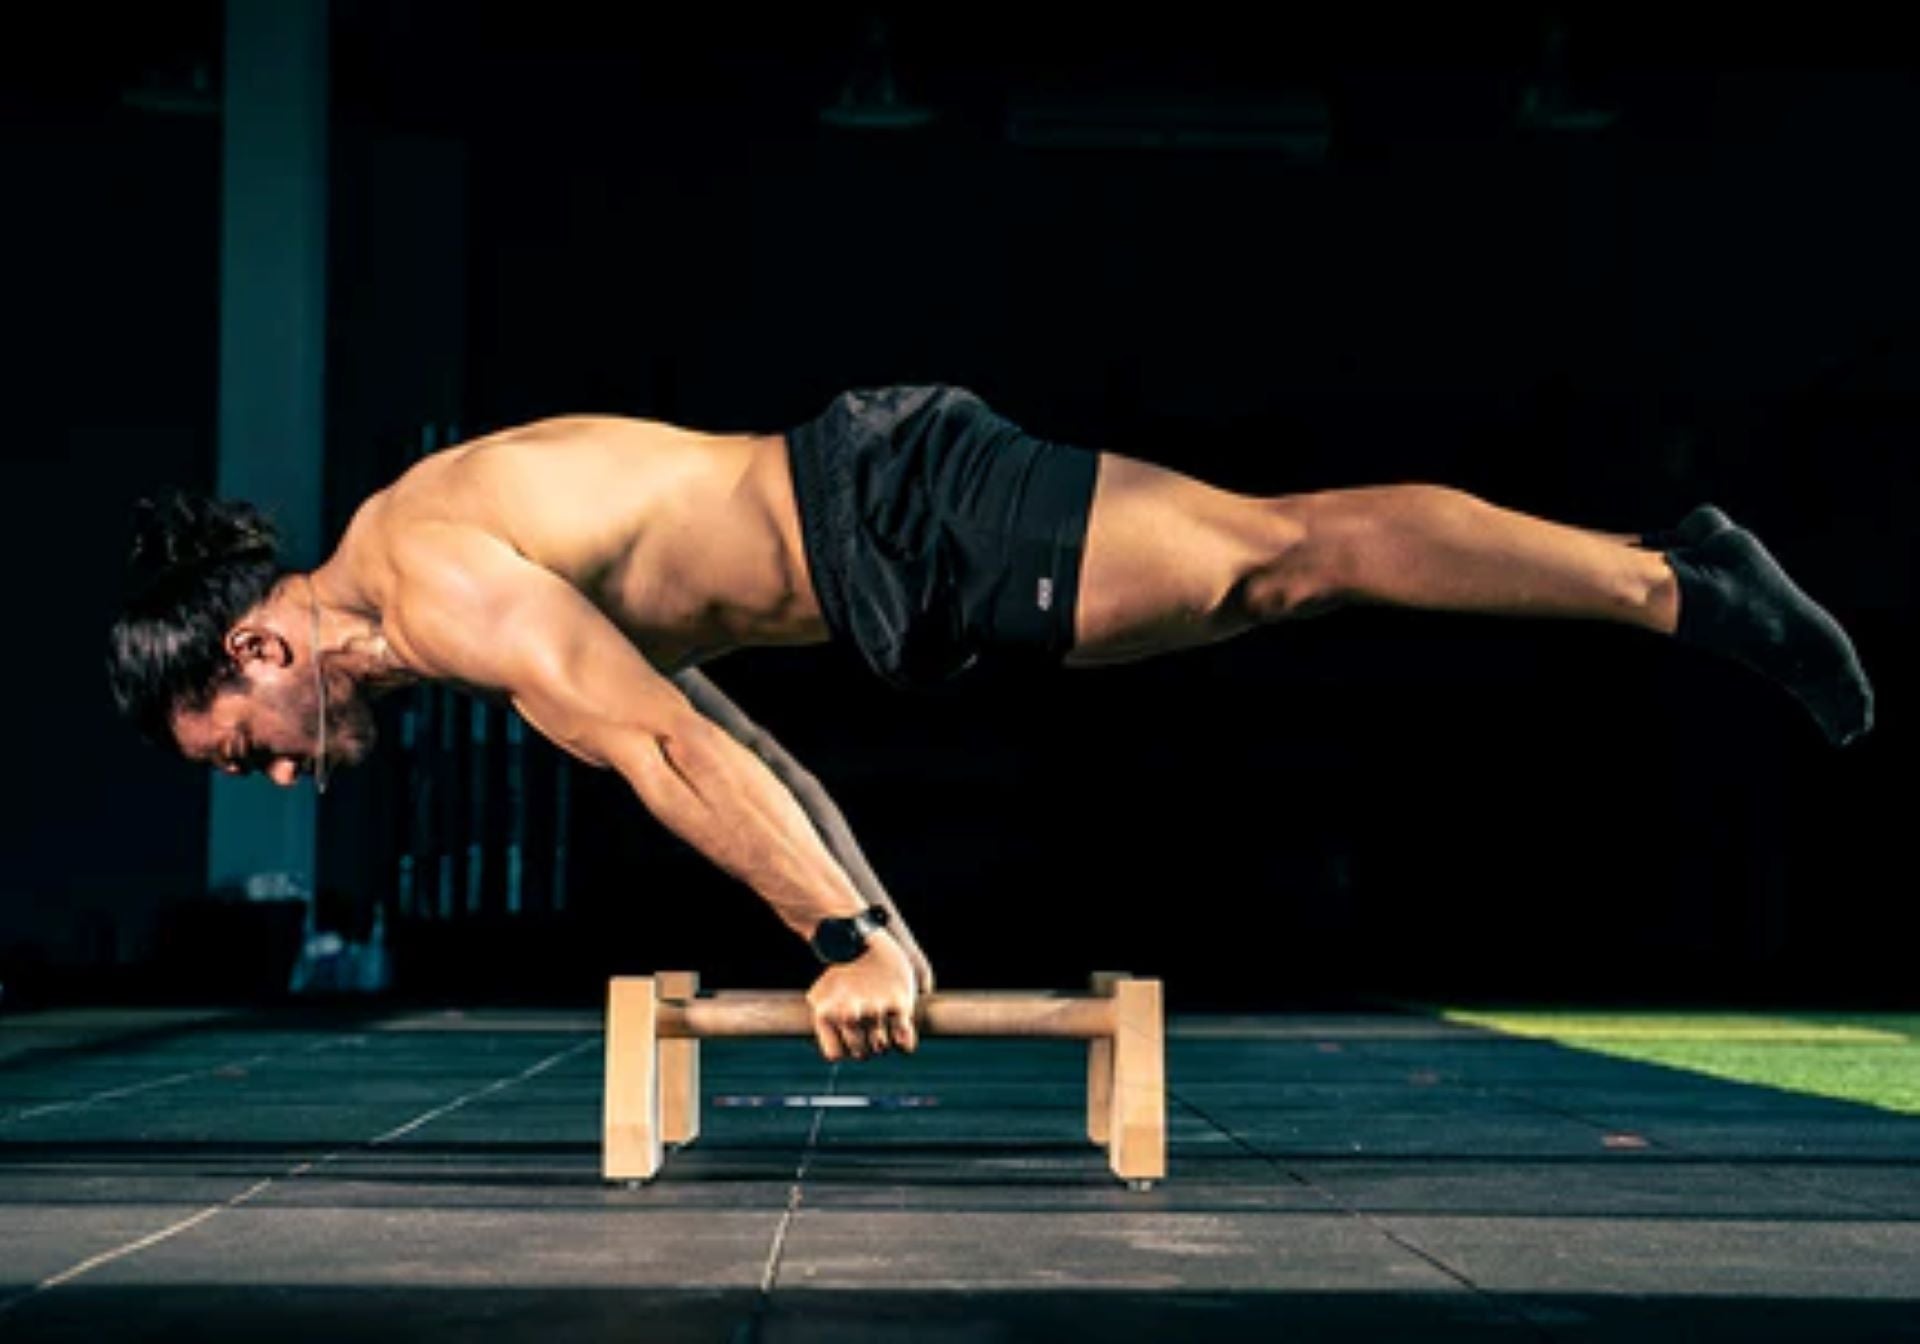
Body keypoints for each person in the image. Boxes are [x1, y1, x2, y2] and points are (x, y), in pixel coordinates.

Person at [107, 385, 1875, 1061]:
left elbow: (657, 749)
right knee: (1283, 560)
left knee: (1282, 557)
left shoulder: (431, 582)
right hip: (893, 546)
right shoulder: (434, 581)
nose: (277, 779)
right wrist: (889, 931)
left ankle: (1678, 583)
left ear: (262, 647)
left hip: (900, 513)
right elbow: (741, 741)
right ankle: (1670, 579)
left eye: (249, 746)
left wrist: (845, 933)